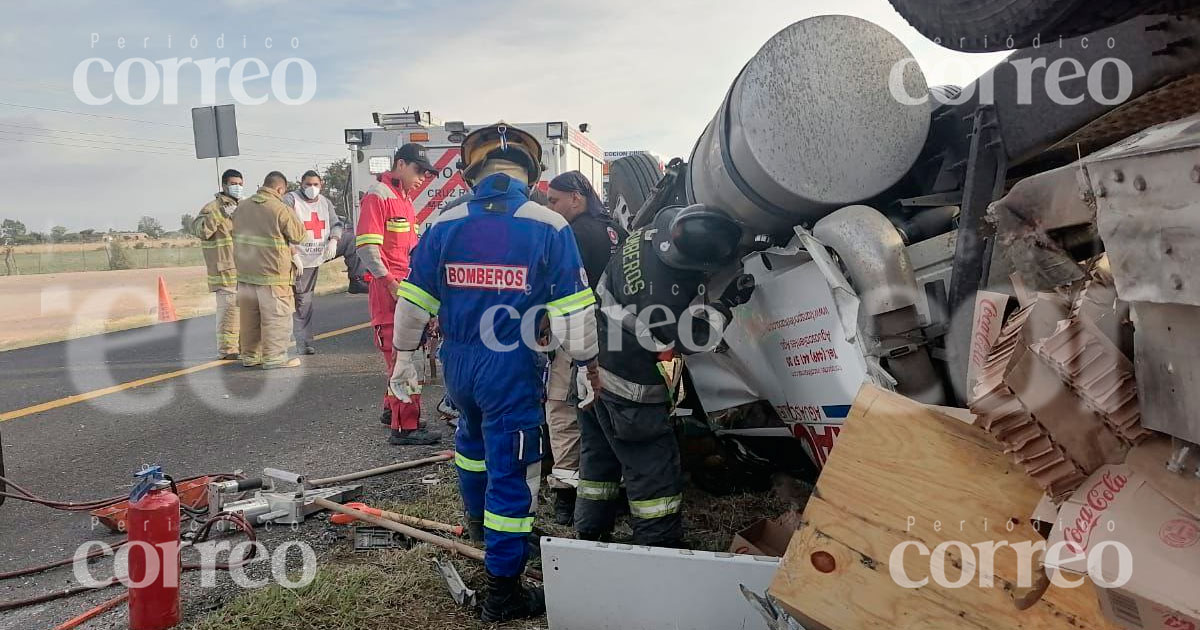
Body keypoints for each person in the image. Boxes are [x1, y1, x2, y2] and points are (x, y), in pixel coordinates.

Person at [389, 123, 600, 621]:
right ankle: (504, 591)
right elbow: (573, 311)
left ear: (471, 172)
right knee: (515, 472)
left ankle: (481, 529)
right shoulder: (549, 225)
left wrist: (403, 356)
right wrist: (589, 364)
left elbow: (413, 301)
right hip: (510, 364)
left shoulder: (443, 222)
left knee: (473, 447)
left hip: (459, 363)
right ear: (530, 173)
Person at [575, 204, 755, 548]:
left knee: (599, 462)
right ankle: (659, 546)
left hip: (593, 371)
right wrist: (726, 302)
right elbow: (693, 338)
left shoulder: (652, 231)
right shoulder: (659, 300)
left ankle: (589, 533)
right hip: (629, 392)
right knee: (653, 475)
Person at [542, 171, 626, 524]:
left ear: (576, 198)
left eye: (554, 201)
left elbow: (559, 287)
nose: (552, 208)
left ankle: (566, 496)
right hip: (619, 336)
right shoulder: (616, 230)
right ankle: (615, 489)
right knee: (608, 411)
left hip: (577, 335)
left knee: (561, 410)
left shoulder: (571, 234)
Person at [356, 143, 441, 446]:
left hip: (405, 289)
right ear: (400, 165)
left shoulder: (403, 200)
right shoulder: (378, 196)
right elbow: (367, 247)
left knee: (400, 355)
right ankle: (405, 427)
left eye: (427, 174)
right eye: (419, 171)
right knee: (405, 358)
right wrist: (390, 283)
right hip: (389, 291)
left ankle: (390, 409)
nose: (422, 178)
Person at [232, 171, 306, 369]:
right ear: (280, 189)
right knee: (276, 318)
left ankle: (249, 356)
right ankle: (274, 358)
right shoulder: (279, 208)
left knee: (249, 319)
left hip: (246, 275)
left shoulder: (242, 207)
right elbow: (299, 235)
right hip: (272, 276)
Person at [282, 170, 344, 355]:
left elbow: (336, 223)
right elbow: (281, 225)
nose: (312, 188)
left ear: (321, 184)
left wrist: (334, 239)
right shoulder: (290, 200)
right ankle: (300, 342)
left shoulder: (325, 202)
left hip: (314, 258)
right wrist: (293, 252)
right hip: (294, 258)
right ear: (301, 184)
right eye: (308, 184)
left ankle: (359, 281)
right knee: (300, 300)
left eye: (316, 185)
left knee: (304, 300)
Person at [192, 169, 243, 359]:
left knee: (246, 311)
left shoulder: (244, 206)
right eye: (233, 183)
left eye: (240, 183)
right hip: (224, 270)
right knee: (229, 312)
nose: (237, 187)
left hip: (245, 269)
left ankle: (244, 346)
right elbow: (200, 230)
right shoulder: (211, 208)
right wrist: (221, 214)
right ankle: (228, 350)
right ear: (224, 185)